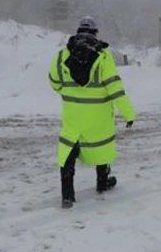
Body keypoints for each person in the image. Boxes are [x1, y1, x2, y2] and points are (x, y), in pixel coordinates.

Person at [48, 16, 136, 209]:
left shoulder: (62, 55)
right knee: (101, 146)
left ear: (78, 31)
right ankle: (102, 183)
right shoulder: (103, 57)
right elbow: (115, 89)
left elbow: (54, 83)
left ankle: (67, 195)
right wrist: (128, 114)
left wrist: (69, 93)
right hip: (99, 117)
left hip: (73, 115)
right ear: (95, 33)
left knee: (69, 150)